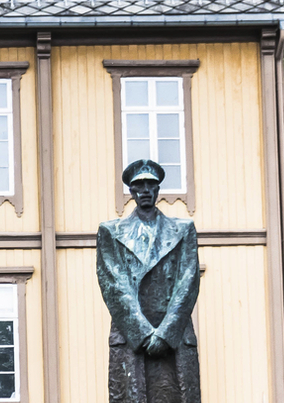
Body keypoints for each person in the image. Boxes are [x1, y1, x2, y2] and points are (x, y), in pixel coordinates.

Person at [96, 159, 201, 403]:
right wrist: (143, 334)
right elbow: (114, 285)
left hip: (174, 337)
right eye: (139, 185)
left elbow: (188, 281)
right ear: (131, 192)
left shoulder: (183, 229)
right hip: (133, 339)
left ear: (157, 189)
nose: (145, 190)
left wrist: (165, 334)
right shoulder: (111, 232)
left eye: (150, 184)